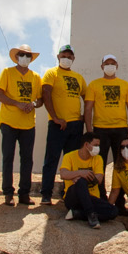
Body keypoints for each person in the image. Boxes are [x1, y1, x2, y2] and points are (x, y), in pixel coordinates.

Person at [38, 45, 86, 204]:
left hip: (75, 126)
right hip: (58, 124)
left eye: (70, 56)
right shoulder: (52, 73)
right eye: (64, 55)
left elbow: (87, 97)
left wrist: (84, 116)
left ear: (73, 59)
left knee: (71, 161)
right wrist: (55, 117)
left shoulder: (78, 77)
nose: (67, 58)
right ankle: (46, 193)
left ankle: (69, 193)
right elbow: (46, 93)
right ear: (58, 57)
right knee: (51, 159)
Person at [0, 46, 43, 207]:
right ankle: (8, 193)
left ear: (31, 58)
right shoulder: (7, 72)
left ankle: (24, 193)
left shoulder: (36, 77)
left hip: (28, 124)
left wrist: (33, 104)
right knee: (8, 158)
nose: (24, 57)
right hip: (9, 121)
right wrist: (17, 103)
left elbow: (40, 99)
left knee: (27, 160)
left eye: (27, 55)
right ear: (16, 57)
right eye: (21, 54)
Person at [57, 131, 114, 228]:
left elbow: (99, 179)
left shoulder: (98, 159)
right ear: (86, 144)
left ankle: (78, 214)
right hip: (73, 197)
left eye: (98, 145)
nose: (98, 148)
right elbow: (63, 174)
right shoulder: (69, 156)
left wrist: (78, 176)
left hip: (92, 197)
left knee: (113, 211)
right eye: (95, 145)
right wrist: (80, 173)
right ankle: (91, 214)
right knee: (81, 182)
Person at [83, 55, 128, 159]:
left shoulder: (125, 85)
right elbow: (88, 108)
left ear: (117, 66)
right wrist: (89, 130)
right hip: (100, 129)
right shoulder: (93, 85)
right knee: (99, 160)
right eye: (107, 64)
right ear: (102, 66)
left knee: (121, 162)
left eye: (112, 64)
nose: (110, 66)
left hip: (121, 129)